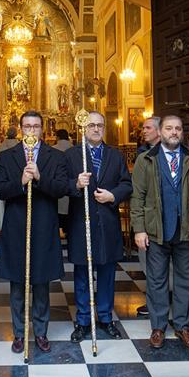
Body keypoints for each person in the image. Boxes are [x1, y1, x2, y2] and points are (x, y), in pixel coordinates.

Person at [130, 114, 189, 349]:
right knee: (156, 281)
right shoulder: (146, 160)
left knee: (185, 281)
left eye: (178, 128)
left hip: (186, 229)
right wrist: (139, 229)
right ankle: (158, 327)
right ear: (161, 131)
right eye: (169, 128)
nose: (174, 132)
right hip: (156, 230)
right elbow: (137, 197)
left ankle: (183, 326)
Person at [0, 110, 68, 353]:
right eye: (27, 126)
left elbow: (60, 188)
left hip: (44, 227)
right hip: (16, 227)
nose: (31, 130)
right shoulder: (6, 157)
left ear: (42, 129)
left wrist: (39, 178)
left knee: (41, 284)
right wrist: (20, 182)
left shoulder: (55, 156)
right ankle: (18, 333)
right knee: (17, 285)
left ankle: (41, 332)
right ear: (20, 129)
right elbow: (0, 189)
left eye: (36, 126)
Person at [65, 112, 132, 341]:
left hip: (108, 222)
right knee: (82, 273)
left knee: (106, 272)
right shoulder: (72, 155)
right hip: (81, 222)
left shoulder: (114, 154)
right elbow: (60, 184)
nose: (96, 129)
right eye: (91, 125)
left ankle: (105, 317)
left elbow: (126, 183)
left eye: (100, 125)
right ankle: (83, 320)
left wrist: (113, 195)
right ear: (83, 128)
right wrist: (76, 183)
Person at [135, 116, 161, 315]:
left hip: (163, 218)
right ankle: (155, 303)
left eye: (148, 128)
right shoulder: (143, 153)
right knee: (149, 264)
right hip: (148, 218)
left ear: (159, 131)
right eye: (143, 127)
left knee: (159, 265)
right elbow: (138, 191)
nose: (143, 131)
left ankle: (161, 303)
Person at [53, 128, 72, 233]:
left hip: (57, 184)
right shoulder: (74, 148)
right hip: (72, 184)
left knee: (59, 210)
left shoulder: (53, 149)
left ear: (57, 137)